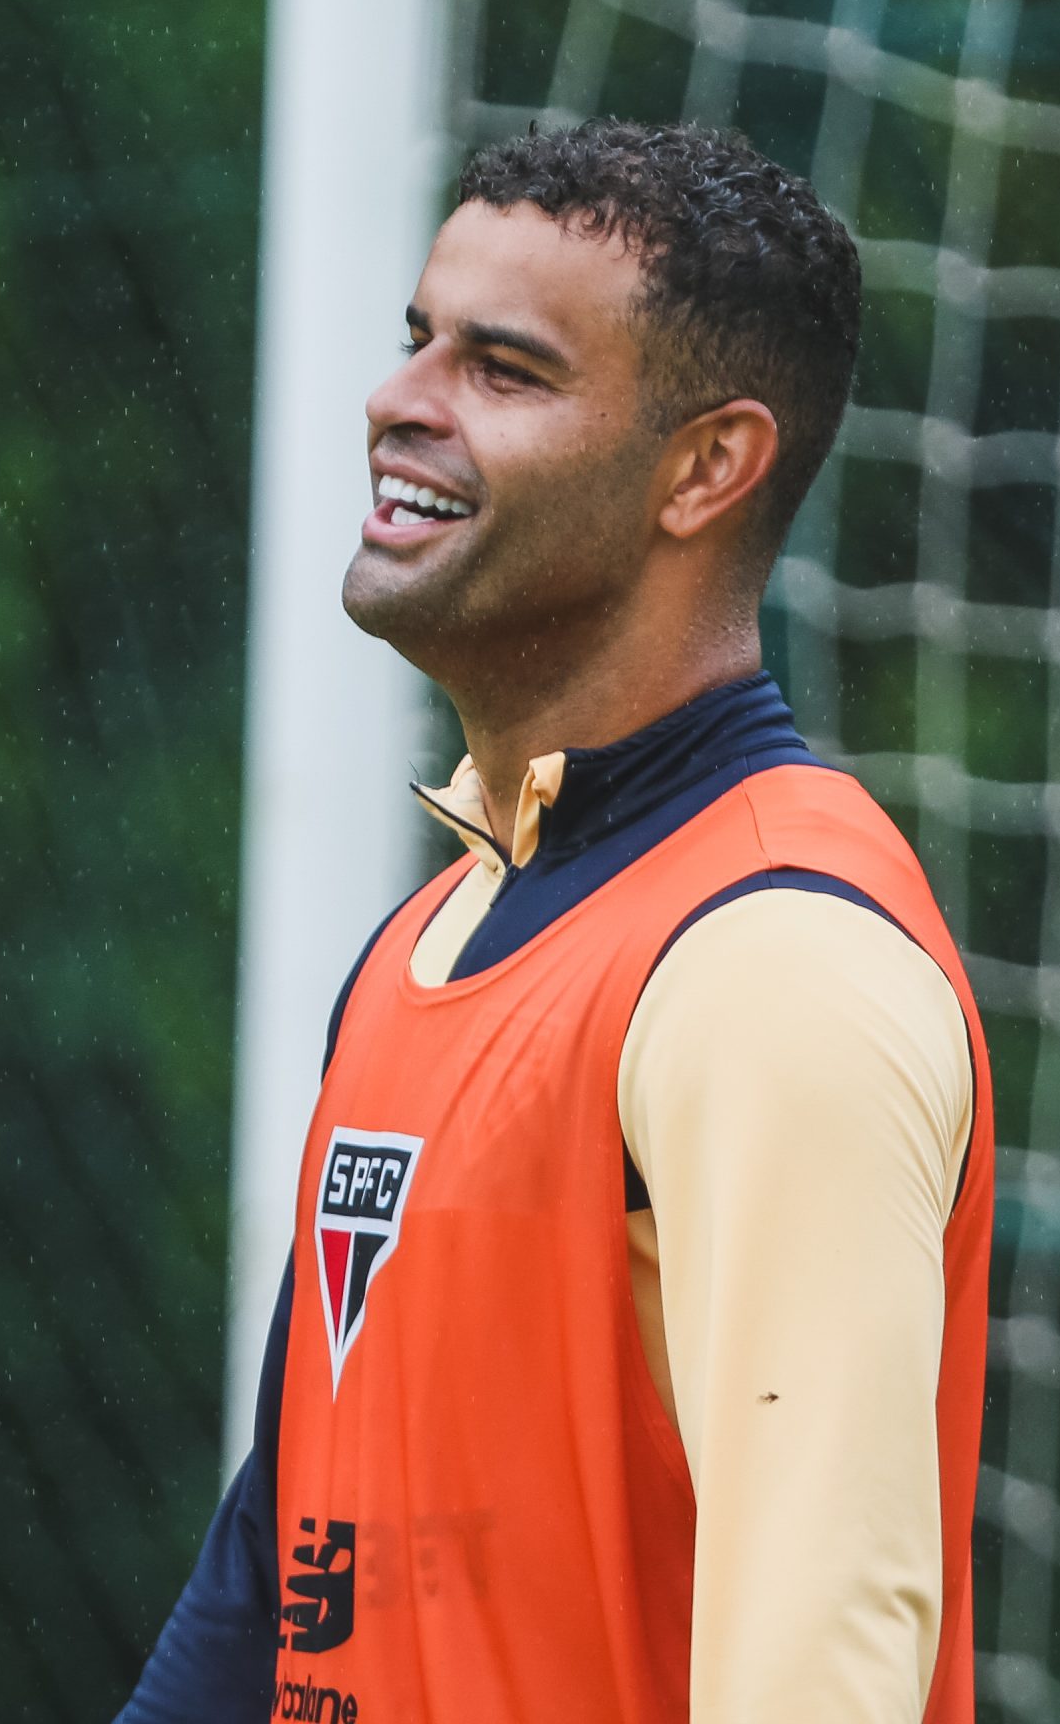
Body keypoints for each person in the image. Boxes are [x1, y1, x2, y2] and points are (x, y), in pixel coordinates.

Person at [119, 119, 992, 1724]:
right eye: (416, 340)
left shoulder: (778, 964)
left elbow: (821, 1664)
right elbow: (269, 1595)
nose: (401, 400)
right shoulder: (425, 945)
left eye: (504, 369)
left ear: (707, 468)